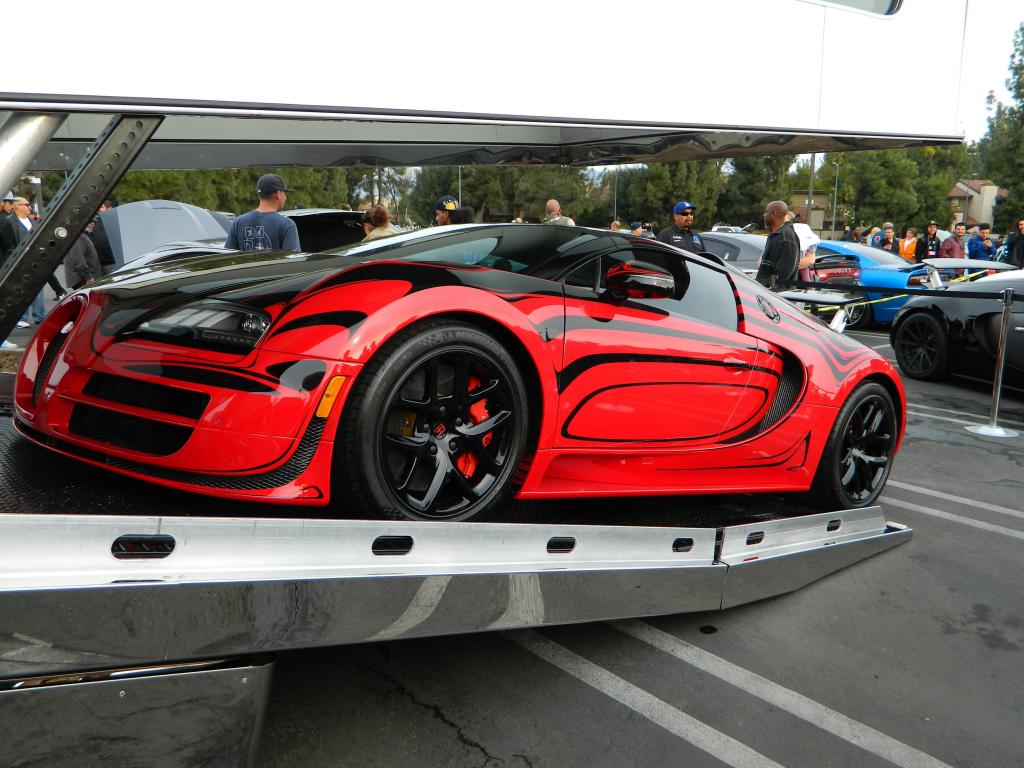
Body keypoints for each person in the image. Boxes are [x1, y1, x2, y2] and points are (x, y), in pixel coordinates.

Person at [224, 174, 300, 252]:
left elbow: (227, 256)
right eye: (284, 193)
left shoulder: (238, 222)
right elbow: (293, 261)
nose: (286, 198)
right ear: (278, 194)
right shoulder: (287, 225)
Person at [756, 201, 800, 289]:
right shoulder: (775, 234)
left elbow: (784, 272)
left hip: (779, 296)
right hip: (765, 293)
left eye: (766, 212)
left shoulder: (786, 236)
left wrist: (772, 290)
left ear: (773, 213)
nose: (764, 215)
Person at [785, 211, 819, 283]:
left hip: (791, 266)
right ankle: (809, 290)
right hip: (803, 264)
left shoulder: (788, 235)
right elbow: (811, 253)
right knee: (806, 278)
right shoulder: (811, 238)